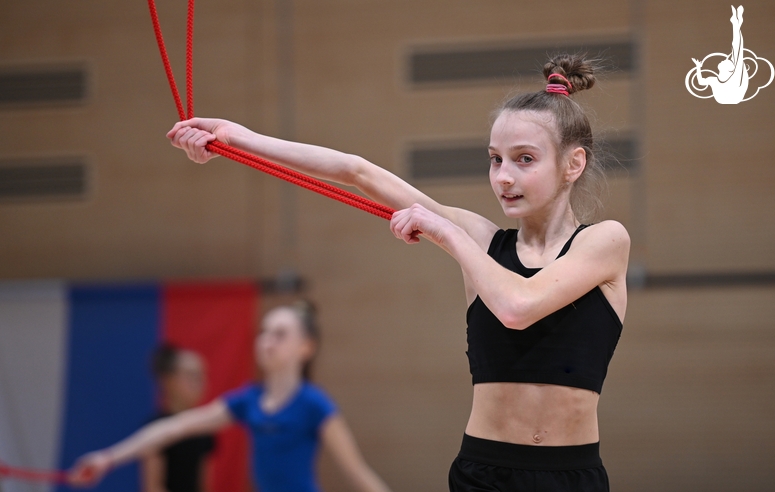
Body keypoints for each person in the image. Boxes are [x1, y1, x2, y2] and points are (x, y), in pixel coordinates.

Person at [165, 53, 629, 492]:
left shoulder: (605, 241)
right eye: (495, 159)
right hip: (483, 471)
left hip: (571, 474)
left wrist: (443, 231)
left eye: (524, 159)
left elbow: (518, 305)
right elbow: (356, 171)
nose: (503, 177)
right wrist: (234, 137)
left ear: (574, 164)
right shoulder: (484, 240)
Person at [68, 303, 393, 492]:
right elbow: (173, 428)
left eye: (279, 334)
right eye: (263, 332)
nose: (266, 340)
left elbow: (357, 472)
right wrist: (108, 458)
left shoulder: (314, 405)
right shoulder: (246, 401)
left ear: (305, 348)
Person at [144, 344, 214, 492]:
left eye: (202, 375)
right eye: (191, 375)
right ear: (169, 381)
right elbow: (153, 486)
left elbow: (204, 484)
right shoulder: (155, 427)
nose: (199, 382)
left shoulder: (205, 429)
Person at [692, 5, 748, 104]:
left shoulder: (728, 78)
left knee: (737, 51)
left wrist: (698, 67)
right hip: (731, 97)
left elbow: (701, 82)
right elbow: (701, 82)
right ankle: (736, 23)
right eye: (728, 61)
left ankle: (736, 23)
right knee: (737, 52)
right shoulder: (718, 79)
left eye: (726, 61)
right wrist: (698, 67)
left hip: (732, 96)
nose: (724, 59)